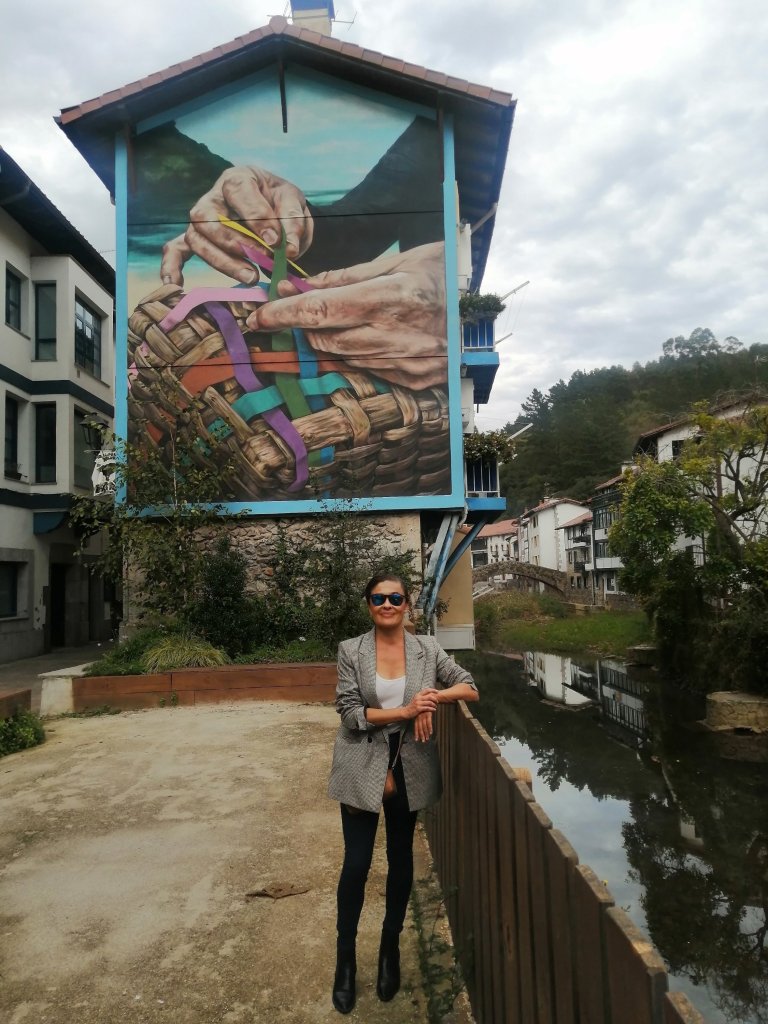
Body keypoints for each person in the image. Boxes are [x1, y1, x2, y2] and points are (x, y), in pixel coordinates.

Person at [327, 572, 478, 1014]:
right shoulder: (351, 650)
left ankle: (389, 947)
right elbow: (349, 712)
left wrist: (431, 698)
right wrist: (405, 711)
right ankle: (345, 959)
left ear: (407, 604)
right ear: (368, 605)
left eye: (395, 597)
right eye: (379, 598)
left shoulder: (427, 649)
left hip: (409, 764)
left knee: (400, 858)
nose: (388, 604)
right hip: (361, 760)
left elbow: (470, 686)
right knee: (356, 863)